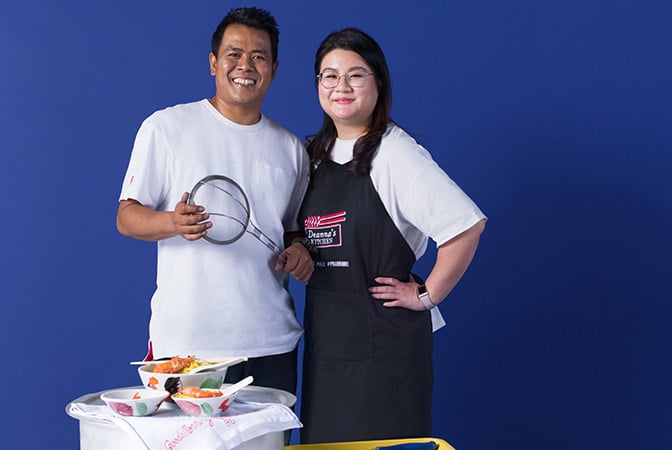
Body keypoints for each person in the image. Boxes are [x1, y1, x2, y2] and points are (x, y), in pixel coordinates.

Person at [297, 28, 487, 443]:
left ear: (378, 84)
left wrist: (427, 294)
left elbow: (466, 225)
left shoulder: (394, 153)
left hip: (384, 349)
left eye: (356, 75)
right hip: (328, 342)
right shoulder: (313, 155)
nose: (340, 86)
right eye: (329, 76)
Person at [116, 7, 313, 397]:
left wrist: (300, 250)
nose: (246, 65)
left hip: (271, 342)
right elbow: (127, 217)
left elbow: (292, 229)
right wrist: (173, 222)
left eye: (258, 56)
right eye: (234, 54)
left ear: (273, 68)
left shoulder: (292, 148)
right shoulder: (166, 128)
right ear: (213, 63)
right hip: (187, 344)